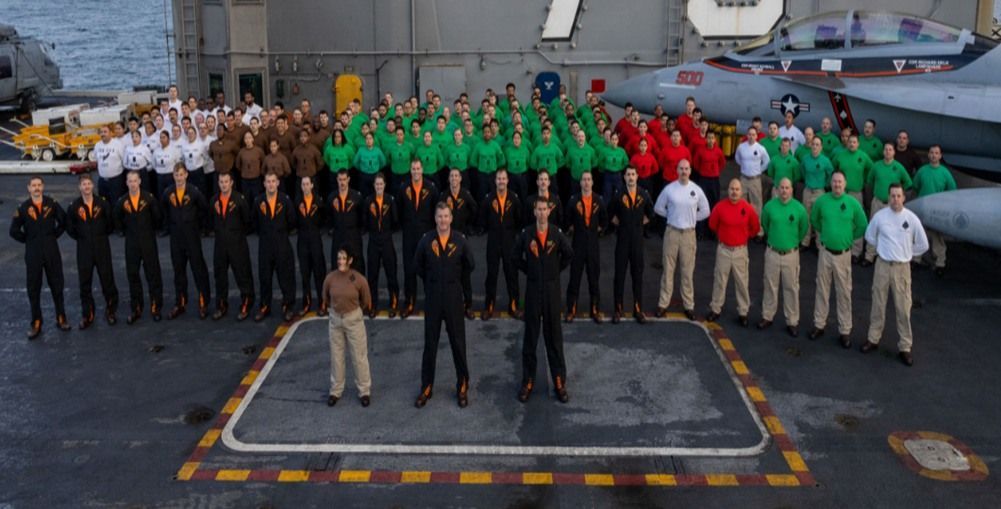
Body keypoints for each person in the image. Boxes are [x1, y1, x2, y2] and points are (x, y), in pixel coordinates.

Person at [414, 202, 476, 408]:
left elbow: (470, 265)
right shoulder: (426, 240)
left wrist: (462, 292)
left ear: (451, 218)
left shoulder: (460, 241)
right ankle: (426, 386)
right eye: (439, 216)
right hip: (433, 298)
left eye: (446, 216)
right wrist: (432, 282)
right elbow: (418, 266)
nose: (442, 220)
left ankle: (462, 385)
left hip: (453, 298)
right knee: (430, 344)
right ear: (435, 218)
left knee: (458, 344)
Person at [861, 184, 928, 367]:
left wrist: (907, 253)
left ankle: (905, 347)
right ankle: (873, 339)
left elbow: (923, 244)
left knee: (903, 308)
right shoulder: (880, 216)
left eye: (898, 196)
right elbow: (869, 235)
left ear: (904, 198)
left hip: (902, 269)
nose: (895, 199)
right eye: (892, 196)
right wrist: (882, 249)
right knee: (878, 304)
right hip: (882, 266)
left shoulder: (911, 219)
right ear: (888, 197)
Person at [514, 197, 573, 403]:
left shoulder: (556, 234)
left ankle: (559, 381)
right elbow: (515, 257)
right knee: (530, 338)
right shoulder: (526, 234)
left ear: (549, 212)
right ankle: (528, 381)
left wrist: (554, 271)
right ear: (534, 212)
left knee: (554, 338)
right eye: (538, 209)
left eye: (544, 209)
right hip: (532, 290)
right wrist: (530, 271)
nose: (541, 212)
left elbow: (568, 254)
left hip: (551, 291)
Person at [809, 171, 868, 348]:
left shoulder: (852, 203)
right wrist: (826, 236)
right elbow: (815, 220)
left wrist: (848, 238)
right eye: (834, 181)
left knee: (844, 292)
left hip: (843, 255)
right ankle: (819, 324)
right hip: (825, 253)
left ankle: (845, 330)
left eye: (840, 182)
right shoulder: (822, 201)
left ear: (845, 183)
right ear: (831, 183)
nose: (837, 185)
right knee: (822, 289)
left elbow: (862, 225)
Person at [10, 176, 70, 338]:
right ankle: (36, 322)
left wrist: (53, 236)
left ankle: (61, 317)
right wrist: (29, 240)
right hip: (33, 252)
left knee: (57, 284)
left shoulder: (52, 204)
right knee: (33, 288)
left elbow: (63, 221)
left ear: (43, 187)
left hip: (51, 250)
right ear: (28, 188)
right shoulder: (23, 208)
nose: (36, 188)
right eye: (33, 185)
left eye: (39, 185)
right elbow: (14, 230)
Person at [654, 159, 709, 320]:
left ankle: (688, 305)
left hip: (688, 235)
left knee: (687, 271)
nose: (684, 171)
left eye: (686, 169)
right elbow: (658, 207)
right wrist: (672, 217)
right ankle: (663, 304)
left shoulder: (696, 190)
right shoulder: (669, 189)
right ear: (676, 170)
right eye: (681, 168)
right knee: (668, 270)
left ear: (690, 171)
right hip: (672, 233)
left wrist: (692, 220)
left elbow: (706, 210)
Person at [322, 246, 373, 407]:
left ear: (350, 260)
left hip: (353, 320)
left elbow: (366, 299)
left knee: (359, 357)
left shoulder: (358, 279)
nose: (341, 262)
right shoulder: (330, 278)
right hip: (335, 320)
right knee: (336, 357)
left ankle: (364, 391)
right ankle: (335, 390)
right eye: (339, 258)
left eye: (344, 258)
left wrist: (355, 312)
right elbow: (326, 297)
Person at [66, 174, 119, 329]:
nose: (87, 187)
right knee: (85, 282)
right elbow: (70, 228)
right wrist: (83, 238)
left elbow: (110, 223)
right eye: (84, 184)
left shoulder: (102, 203)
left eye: (89, 183)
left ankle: (111, 310)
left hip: (102, 246)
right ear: (79, 187)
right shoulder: (74, 206)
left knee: (107, 280)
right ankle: (88, 314)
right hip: (84, 249)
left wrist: (100, 235)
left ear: (93, 186)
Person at [758, 178, 809, 337]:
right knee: (770, 285)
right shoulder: (769, 207)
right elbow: (765, 225)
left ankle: (792, 321)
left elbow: (803, 229)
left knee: (791, 288)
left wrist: (792, 243)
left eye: (787, 188)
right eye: (782, 188)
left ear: (792, 190)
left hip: (791, 255)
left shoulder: (799, 209)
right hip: (772, 252)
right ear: (777, 189)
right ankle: (767, 316)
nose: (784, 191)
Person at [706, 179, 760, 326]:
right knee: (719, 281)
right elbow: (712, 224)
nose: (734, 192)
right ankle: (716, 308)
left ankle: (743, 312)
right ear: (728, 190)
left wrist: (742, 237)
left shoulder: (747, 208)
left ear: (741, 191)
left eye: (737, 189)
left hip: (740, 252)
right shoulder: (720, 207)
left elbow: (755, 227)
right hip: (723, 250)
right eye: (731, 189)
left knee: (742, 282)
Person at [162, 163, 212, 320]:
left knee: (198, 269)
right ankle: (180, 302)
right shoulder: (168, 192)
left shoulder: (194, 191)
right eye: (176, 175)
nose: (179, 177)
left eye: (181, 174)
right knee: (178, 271)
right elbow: (164, 211)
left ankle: (204, 302)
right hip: (176, 238)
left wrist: (198, 226)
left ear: (186, 175)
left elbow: (204, 208)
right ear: (173, 176)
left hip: (192, 236)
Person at [115, 171, 164, 324]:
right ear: (126, 183)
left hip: (148, 241)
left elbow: (158, 219)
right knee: (133, 275)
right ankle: (136, 308)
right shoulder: (122, 201)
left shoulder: (149, 199)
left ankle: (156, 306)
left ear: (140, 181)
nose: (133, 184)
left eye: (135, 180)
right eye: (130, 181)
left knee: (153, 274)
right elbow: (117, 221)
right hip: (132, 243)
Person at [608, 166, 653, 323]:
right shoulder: (618, 194)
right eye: (628, 175)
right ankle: (618, 309)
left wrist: (639, 225)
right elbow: (610, 213)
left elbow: (650, 213)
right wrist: (621, 225)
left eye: (633, 174)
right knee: (619, 276)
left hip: (637, 242)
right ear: (624, 177)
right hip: (622, 241)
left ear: (637, 176)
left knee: (637, 276)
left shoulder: (643, 194)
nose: (631, 177)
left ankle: (638, 309)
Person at [209, 172, 254, 321]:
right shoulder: (214, 200)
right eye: (221, 182)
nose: (223, 184)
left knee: (242, 274)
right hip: (220, 244)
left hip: (237, 243)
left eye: (226, 181)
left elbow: (247, 221)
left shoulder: (240, 200)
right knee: (220, 275)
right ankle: (221, 305)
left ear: (231, 183)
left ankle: (246, 303)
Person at [398, 159, 439, 318]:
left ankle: (431, 301)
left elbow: (435, 209)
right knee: (409, 269)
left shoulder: (431, 188)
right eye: (413, 169)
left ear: (422, 170)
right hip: (409, 234)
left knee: (428, 268)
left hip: (426, 234)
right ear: (410, 170)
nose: (415, 171)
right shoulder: (403, 188)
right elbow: (400, 211)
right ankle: (410, 301)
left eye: (418, 168)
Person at [564, 171, 608, 323]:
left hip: (593, 246)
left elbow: (604, 221)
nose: (587, 182)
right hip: (577, 245)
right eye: (584, 179)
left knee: (593, 278)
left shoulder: (599, 200)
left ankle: (595, 309)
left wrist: (595, 230)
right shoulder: (573, 200)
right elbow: (567, 220)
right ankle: (571, 309)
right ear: (580, 182)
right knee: (574, 278)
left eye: (589, 179)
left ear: (592, 182)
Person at [254, 172, 297, 322]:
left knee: (285, 275)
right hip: (265, 244)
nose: (271, 184)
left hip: (281, 242)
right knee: (265, 276)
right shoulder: (258, 201)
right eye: (268, 182)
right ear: (264, 184)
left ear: (278, 183)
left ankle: (288, 306)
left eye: (273, 181)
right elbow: (254, 222)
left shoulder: (285, 200)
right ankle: (265, 306)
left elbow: (292, 221)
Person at [480, 168, 523, 320]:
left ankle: (514, 306)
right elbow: (483, 219)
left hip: (509, 241)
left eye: (504, 178)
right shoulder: (488, 199)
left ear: (507, 180)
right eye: (499, 179)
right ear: (495, 181)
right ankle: (488, 306)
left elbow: (519, 219)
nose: (501, 181)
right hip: (493, 241)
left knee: (511, 274)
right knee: (491, 274)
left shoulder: (514, 198)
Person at [862, 143, 913, 266]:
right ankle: (869, 255)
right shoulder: (876, 166)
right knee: (874, 228)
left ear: (894, 152)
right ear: (883, 152)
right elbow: (869, 181)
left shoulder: (898, 167)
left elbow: (908, 183)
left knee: (892, 230)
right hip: (878, 202)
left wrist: (899, 198)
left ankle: (887, 254)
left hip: (892, 206)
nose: (888, 151)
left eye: (890, 149)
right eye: (886, 149)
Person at [912, 145, 956, 277]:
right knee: (919, 235)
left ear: (940, 156)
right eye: (931, 152)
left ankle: (940, 263)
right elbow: (915, 186)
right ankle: (916, 259)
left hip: (938, 210)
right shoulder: (922, 171)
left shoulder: (945, 172)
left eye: (936, 153)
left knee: (938, 238)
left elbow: (952, 190)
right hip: (922, 208)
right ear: (928, 155)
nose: (933, 155)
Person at [362, 172, 400, 318]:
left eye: (381, 184)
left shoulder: (390, 200)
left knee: (391, 273)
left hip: (387, 239)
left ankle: (393, 302)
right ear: (374, 186)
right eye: (376, 184)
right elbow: (365, 220)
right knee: (372, 274)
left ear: (385, 185)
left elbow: (395, 220)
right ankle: (373, 304)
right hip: (373, 240)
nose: (379, 186)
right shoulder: (368, 201)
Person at [442, 168, 478, 318]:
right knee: (447, 271)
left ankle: (468, 305)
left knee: (465, 272)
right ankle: (448, 304)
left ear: (460, 178)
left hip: (461, 238)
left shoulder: (465, 194)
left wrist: (469, 226)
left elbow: (474, 209)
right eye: (452, 176)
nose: (454, 178)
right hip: (447, 238)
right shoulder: (444, 196)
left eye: (456, 176)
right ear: (449, 179)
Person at [832, 134, 873, 262]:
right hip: (841, 193)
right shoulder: (840, 155)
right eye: (850, 142)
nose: (852, 144)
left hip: (856, 193)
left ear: (858, 144)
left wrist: (863, 180)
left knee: (856, 222)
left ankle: (856, 251)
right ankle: (841, 244)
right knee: (841, 219)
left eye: (854, 142)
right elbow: (834, 169)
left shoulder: (863, 156)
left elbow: (870, 170)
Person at [296, 176, 327, 315]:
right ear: (301, 186)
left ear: (312, 185)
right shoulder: (297, 201)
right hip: (302, 240)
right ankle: (306, 303)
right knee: (305, 274)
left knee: (319, 273)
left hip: (315, 239)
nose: (306, 186)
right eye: (303, 184)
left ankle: (322, 302)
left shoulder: (319, 202)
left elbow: (324, 219)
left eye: (308, 184)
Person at [799, 136, 834, 249]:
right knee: (806, 216)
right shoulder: (805, 159)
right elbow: (802, 171)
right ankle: (805, 241)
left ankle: (819, 244)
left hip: (820, 192)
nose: (815, 146)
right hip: (808, 190)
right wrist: (808, 181)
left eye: (817, 144)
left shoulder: (825, 160)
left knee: (819, 218)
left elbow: (830, 174)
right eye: (813, 144)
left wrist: (826, 183)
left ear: (821, 147)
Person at [327, 170, 364, 273]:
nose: (342, 182)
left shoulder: (356, 197)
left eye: (344, 179)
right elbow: (329, 217)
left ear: (348, 180)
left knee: (356, 262)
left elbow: (361, 216)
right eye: (340, 180)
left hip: (353, 234)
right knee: (337, 261)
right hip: (338, 234)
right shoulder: (331, 197)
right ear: (337, 180)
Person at [734, 126, 770, 223]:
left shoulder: (760, 148)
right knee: (741, 203)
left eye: (753, 134)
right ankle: (742, 225)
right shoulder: (741, 147)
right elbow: (737, 158)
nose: (751, 136)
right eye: (749, 134)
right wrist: (745, 166)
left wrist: (759, 170)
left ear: (756, 136)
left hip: (755, 180)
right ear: (747, 135)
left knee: (757, 204)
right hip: (744, 179)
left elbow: (767, 161)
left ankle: (758, 230)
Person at [93, 125, 126, 206]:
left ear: (111, 133)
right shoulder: (97, 145)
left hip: (116, 181)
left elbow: (124, 161)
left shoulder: (118, 144)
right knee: (103, 203)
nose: (103, 134)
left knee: (116, 203)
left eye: (105, 132)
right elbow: (97, 160)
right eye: (101, 132)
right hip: (102, 181)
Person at [236, 131, 266, 205]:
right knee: (246, 200)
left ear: (253, 139)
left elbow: (264, 163)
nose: (248, 140)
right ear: (244, 140)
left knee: (257, 199)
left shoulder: (259, 150)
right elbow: (238, 165)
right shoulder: (241, 152)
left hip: (256, 180)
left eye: (249, 138)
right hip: (245, 180)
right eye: (246, 138)